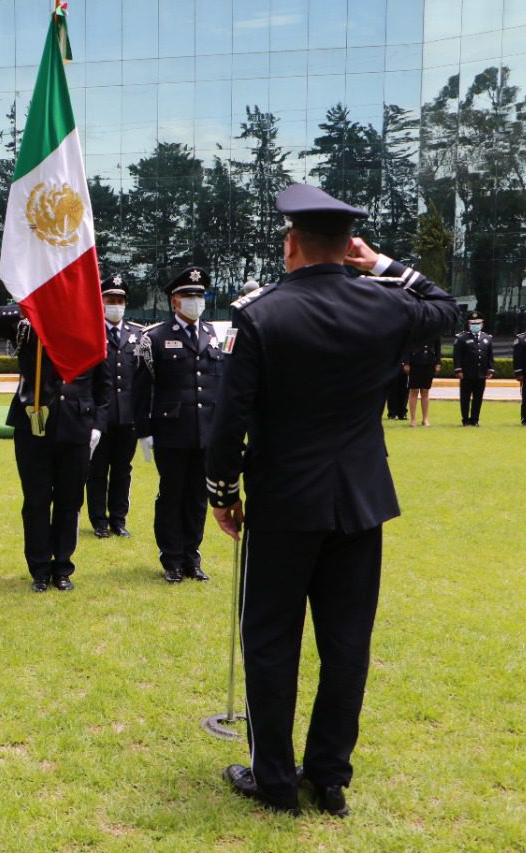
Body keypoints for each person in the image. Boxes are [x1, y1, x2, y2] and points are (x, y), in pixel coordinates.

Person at [207, 184, 456, 817]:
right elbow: (443, 305)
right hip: (359, 504)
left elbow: (229, 419)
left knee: (270, 641)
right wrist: (382, 267)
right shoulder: (384, 306)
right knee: (347, 643)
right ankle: (330, 776)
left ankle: (274, 781)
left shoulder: (260, 314)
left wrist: (222, 494)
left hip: (284, 504)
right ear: (349, 247)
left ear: (291, 244)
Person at [0, 301, 106, 592]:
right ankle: (39, 568)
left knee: (69, 501)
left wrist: (97, 424)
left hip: (75, 426)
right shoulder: (28, 326)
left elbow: (104, 386)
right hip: (33, 426)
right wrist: (28, 304)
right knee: (36, 501)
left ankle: (62, 566)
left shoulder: (90, 331)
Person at [134, 267, 223, 584]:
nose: (196, 301)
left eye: (200, 295)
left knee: (198, 496)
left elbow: (220, 384)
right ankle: (171, 558)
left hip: (205, 431)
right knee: (172, 494)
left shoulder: (214, 334)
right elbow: (142, 390)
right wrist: (143, 431)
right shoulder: (155, 337)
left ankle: (191, 558)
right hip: (171, 431)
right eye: (189, 296)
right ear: (175, 301)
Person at [87, 274, 143, 538]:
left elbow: (143, 378)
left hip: (128, 416)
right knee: (97, 471)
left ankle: (118, 520)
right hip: (100, 416)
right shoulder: (92, 333)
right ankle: (99, 520)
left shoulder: (137, 335)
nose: (116, 305)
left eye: (120, 300)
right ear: (101, 301)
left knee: (122, 470)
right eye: (111, 300)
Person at [452, 311, 494, 426]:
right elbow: (457, 356)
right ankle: (465, 419)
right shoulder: (461, 338)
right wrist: (458, 370)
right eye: (472, 323)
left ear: (482, 324)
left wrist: (490, 369)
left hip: (481, 373)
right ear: (469, 324)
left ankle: (475, 419)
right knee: (465, 397)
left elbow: (490, 355)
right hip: (466, 373)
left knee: (478, 397)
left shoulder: (487, 338)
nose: (475, 325)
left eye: (478, 323)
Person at [405, 338, 441, 427]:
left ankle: (425, 419)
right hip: (415, 363)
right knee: (414, 391)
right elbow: (406, 346)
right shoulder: (413, 329)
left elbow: (438, 347)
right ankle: (413, 419)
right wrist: (406, 363)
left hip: (429, 363)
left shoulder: (434, 329)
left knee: (425, 391)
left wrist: (438, 363)